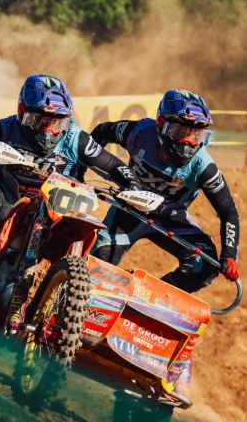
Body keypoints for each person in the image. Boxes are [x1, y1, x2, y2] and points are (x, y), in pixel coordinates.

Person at [0, 73, 142, 297]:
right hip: (9, 201)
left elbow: (113, 165)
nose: (49, 131)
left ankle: (75, 300)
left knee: (86, 235)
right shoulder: (5, 128)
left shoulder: (76, 138)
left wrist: (132, 185)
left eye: (58, 123)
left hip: (58, 212)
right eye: (40, 122)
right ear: (22, 113)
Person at [90, 89, 240, 292]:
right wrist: (78, 171)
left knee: (206, 265)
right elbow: (101, 132)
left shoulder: (204, 165)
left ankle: (153, 297)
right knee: (96, 268)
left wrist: (229, 255)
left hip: (170, 217)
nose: (188, 144)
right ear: (161, 124)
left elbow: (228, 211)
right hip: (128, 212)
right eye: (180, 133)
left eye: (196, 135)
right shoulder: (140, 132)